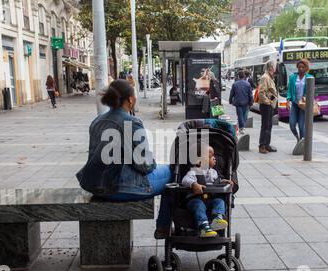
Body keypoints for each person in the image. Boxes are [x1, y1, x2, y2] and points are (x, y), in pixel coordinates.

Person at [76, 79, 173, 238]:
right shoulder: (132, 122)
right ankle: (163, 226)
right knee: (173, 172)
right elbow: (144, 165)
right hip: (119, 188)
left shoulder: (97, 121)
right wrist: (153, 163)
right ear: (131, 100)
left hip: (94, 185)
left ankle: (164, 227)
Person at [182, 145, 231, 238]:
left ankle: (217, 218)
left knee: (220, 201)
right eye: (209, 156)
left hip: (210, 200)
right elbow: (185, 179)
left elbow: (216, 181)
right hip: (195, 199)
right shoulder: (194, 171)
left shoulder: (214, 172)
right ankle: (204, 227)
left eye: (213, 156)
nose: (214, 158)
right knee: (199, 205)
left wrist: (222, 181)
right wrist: (193, 184)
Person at [286, 59, 313, 143]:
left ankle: (302, 143)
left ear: (306, 68)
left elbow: (311, 91)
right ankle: (297, 137)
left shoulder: (309, 78)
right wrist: (287, 101)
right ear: (297, 68)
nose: (301, 68)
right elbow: (289, 90)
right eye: (299, 67)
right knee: (292, 125)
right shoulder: (292, 77)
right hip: (295, 104)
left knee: (302, 126)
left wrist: (305, 96)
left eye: (303, 67)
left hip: (303, 105)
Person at [258, 61, 278, 154]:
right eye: (274, 67)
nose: (275, 69)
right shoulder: (265, 77)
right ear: (270, 68)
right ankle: (262, 146)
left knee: (269, 125)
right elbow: (261, 93)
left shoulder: (269, 77)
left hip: (269, 105)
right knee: (265, 126)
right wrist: (268, 102)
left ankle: (267, 145)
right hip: (266, 106)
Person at [229, 70, 253, 135]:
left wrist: (230, 100)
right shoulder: (248, 84)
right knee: (244, 115)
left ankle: (241, 127)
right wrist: (251, 102)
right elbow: (250, 94)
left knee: (240, 115)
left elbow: (232, 94)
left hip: (238, 102)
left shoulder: (235, 84)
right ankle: (242, 127)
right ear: (244, 76)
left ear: (238, 76)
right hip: (246, 102)